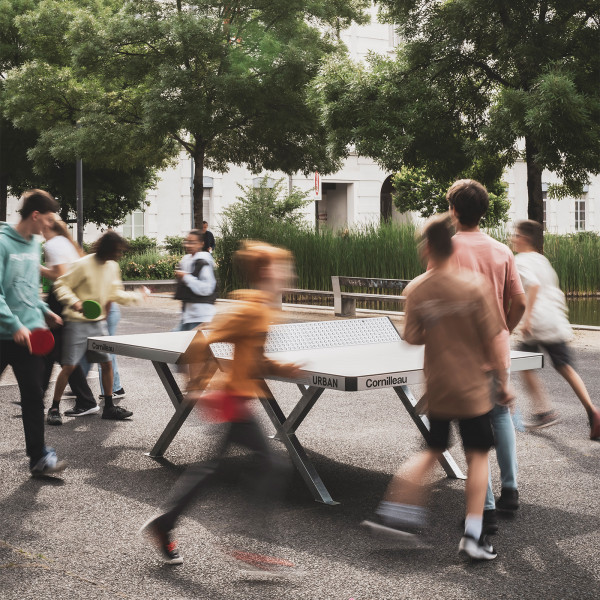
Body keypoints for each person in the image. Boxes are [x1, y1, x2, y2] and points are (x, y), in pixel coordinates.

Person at [141, 240, 300, 569]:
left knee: (214, 469)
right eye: (284, 267)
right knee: (271, 465)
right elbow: (201, 340)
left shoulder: (264, 308)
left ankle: (166, 523)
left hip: (239, 398)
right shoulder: (252, 308)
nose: (289, 273)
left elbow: (255, 360)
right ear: (268, 271)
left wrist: (285, 368)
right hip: (233, 400)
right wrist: (196, 387)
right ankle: (249, 545)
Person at [362, 214, 510, 561]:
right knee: (476, 458)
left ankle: (396, 515)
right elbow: (492, 340)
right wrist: (502, 384)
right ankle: (474, 538)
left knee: (431, 449)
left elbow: (412, 337)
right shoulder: (475, 287)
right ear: (452, 246)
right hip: (473, 387)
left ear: (427, 247)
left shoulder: (416, 289)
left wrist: (438, 323)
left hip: (440, 386)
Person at [446, 180, 526, 532]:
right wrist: (504, 329)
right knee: (500, 417)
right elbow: (520, 301)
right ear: (483, 211)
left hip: (463, 352)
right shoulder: (501, 251)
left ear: (453, 210)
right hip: (497, 346)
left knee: (474, 431)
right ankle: (510, 491)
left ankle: (486, 509)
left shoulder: (446, 249)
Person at [512, 220, 600, 438]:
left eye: (516, 235)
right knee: (565, 367)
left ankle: (544, 412)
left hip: (538, 323)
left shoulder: (520, 260)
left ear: (524, 239)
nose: (513, 238)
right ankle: (593, 412)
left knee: (523, 364)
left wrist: (528, 319)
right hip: (553, 320)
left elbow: (533, 286)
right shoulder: (542, 260)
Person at [0, 189, 66, 476]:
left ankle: (38, 458)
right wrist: (13, 324)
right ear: (35, 215)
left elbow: (26, 289)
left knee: (33, 394)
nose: (49, 226)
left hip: (30, 336)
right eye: (48, 219)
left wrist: (43, 310)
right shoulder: (3, 244)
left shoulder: (33, 245)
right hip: (5, 334)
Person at [51, 231, 145, 421]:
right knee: (69, 366)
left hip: (98, 323)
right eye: (117, 251)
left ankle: (109, 407)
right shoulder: (83, 264)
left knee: (107, 364)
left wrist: (138, 296)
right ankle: (53, 409)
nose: (119, 254)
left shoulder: (112, 267)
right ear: (107, 249)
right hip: (77, 323)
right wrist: (75, 302)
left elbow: (115, 294)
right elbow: (60, 285)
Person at [40, 218, 99, 422]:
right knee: (59, 354)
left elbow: (60, 276)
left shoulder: (52, 244)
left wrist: (36, 268)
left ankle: (40, 398)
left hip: (60, 299)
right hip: (67, 300)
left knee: (51, 352)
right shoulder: (65, 243)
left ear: (47, 225)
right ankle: (85, 400)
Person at [173, 229, 217, 331]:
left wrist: (186, 277)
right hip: (188, 316)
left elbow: (207, 288)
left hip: (201, 316)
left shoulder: (203, 262)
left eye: (192, 242)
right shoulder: (186, 260)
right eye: (187, 242)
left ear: (201, 244)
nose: (188, 245)